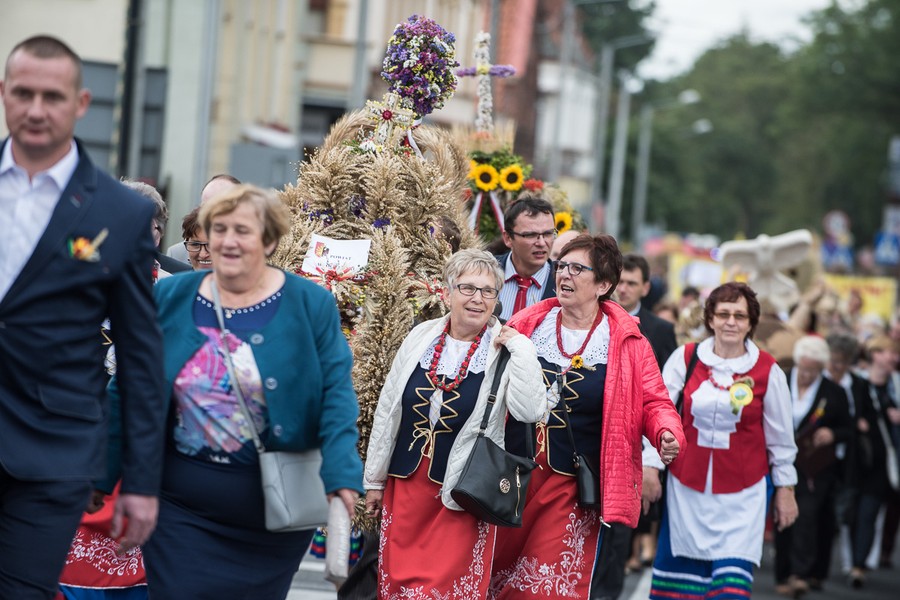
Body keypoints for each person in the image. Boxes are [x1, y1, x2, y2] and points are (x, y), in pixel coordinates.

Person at [105, 184, 363, 598]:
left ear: (270, 240)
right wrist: (103, 473)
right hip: (180, 509)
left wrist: (342, 472)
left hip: (274, 513)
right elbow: (129, 387)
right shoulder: (169, 296)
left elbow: (335, 392)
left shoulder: (310, 303)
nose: (226, 240)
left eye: (242, 230)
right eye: (218, 229)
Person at [0, 35, 166, 598]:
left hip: (52, 453)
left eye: (53, 95)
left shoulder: (120, 214)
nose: (36, 108)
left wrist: (140, 481)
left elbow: (141, 358)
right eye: (23, 93)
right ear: (4, 94)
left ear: (81, 103)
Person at [489, 233, 685, 600]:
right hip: (513, 477)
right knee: (499, 581)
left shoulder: (626, 340)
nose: (564, 273)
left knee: (545, 587)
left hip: (571, 484)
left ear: (604, 284)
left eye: (577, 268)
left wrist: (666, 434)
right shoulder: (528, 324)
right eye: (561, 264)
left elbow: (654, 401)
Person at [363, 248, 545, 597]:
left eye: (488, 291)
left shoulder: (503, 349)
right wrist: (374, 479)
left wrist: (522, 349)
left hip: (462, 493)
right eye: (467, 288)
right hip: (405, 488)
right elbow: (389, 409)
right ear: (447, 292)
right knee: (398, 585)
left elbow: (531, 411)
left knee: (442, 590)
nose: (478, 299)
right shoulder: (421, 338)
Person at [650, 281, 799, 599]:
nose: (731, 322)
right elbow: (658, 412)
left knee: (730, 588)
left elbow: (781, 439)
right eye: (723, 314)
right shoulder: (686, 358)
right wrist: (650, 467)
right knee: (680, 587)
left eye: (740, 316)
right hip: (687, 488)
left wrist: (786, 490)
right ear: (711, 319)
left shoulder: (767, 370)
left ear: (751, 323)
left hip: (743, 496)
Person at [593, 253, 679, 599]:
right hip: (587, 446)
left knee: (615, 547)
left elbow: (660, 398)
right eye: (620, 281)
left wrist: (650, 464)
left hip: (627, 455)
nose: (624, 288)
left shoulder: (660, 331)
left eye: (632, 282)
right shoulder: (594, 320)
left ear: (645, 287)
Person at [773, 336, 852, 597]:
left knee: (806, 516)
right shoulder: (781, 379)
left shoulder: (834, 392)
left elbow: (847, 428)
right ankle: (782, 573)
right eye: (803, 368)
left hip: (815, 467)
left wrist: (832, 433)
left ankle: (800, 573)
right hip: (781, 461)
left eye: (812, 370)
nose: (806, 375)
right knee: (781, 517)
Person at [847, 334, 899, 588]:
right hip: (856, 462)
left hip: (883, 463)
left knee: (868, 514)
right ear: (876, 354)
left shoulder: (896, 387)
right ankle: (853, 560)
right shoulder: (856, 384)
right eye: (890, 353)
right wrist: (856, 422)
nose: (894, 358)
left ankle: (859, 565)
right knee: (852, 514)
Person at [495, 194, 557, 321]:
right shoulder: (485, 271)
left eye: (548, 234)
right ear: (508, 238)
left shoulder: (564, 281)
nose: (541, 243)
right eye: (530, 235)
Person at [165, 173, 240, 263]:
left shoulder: (254, 252)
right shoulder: (178, 254)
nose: (213, 214)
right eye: (207, 207)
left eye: (222, 208)